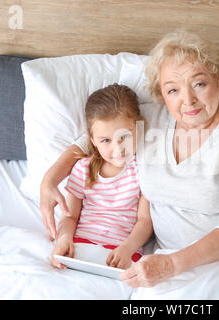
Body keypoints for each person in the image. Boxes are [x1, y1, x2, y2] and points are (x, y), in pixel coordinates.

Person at [41, 30, 219, 288]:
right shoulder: (150, 120)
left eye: (199, 84)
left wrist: (171, 265)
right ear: (161, 94)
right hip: (165, 264)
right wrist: (50, 179)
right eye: (173, 90)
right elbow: (93, 137)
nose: (187, 100)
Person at [50, 84, 153, 270]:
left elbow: (145, 221)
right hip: (81, 246)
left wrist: (127, 248)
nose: (118, 148)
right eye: (106, 140)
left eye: (124, 136)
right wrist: (64, 239)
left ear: (139, 127)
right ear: (92, 140)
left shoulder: (142, 170)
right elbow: (70, 217)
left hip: (123, 252)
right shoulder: (83, 168)